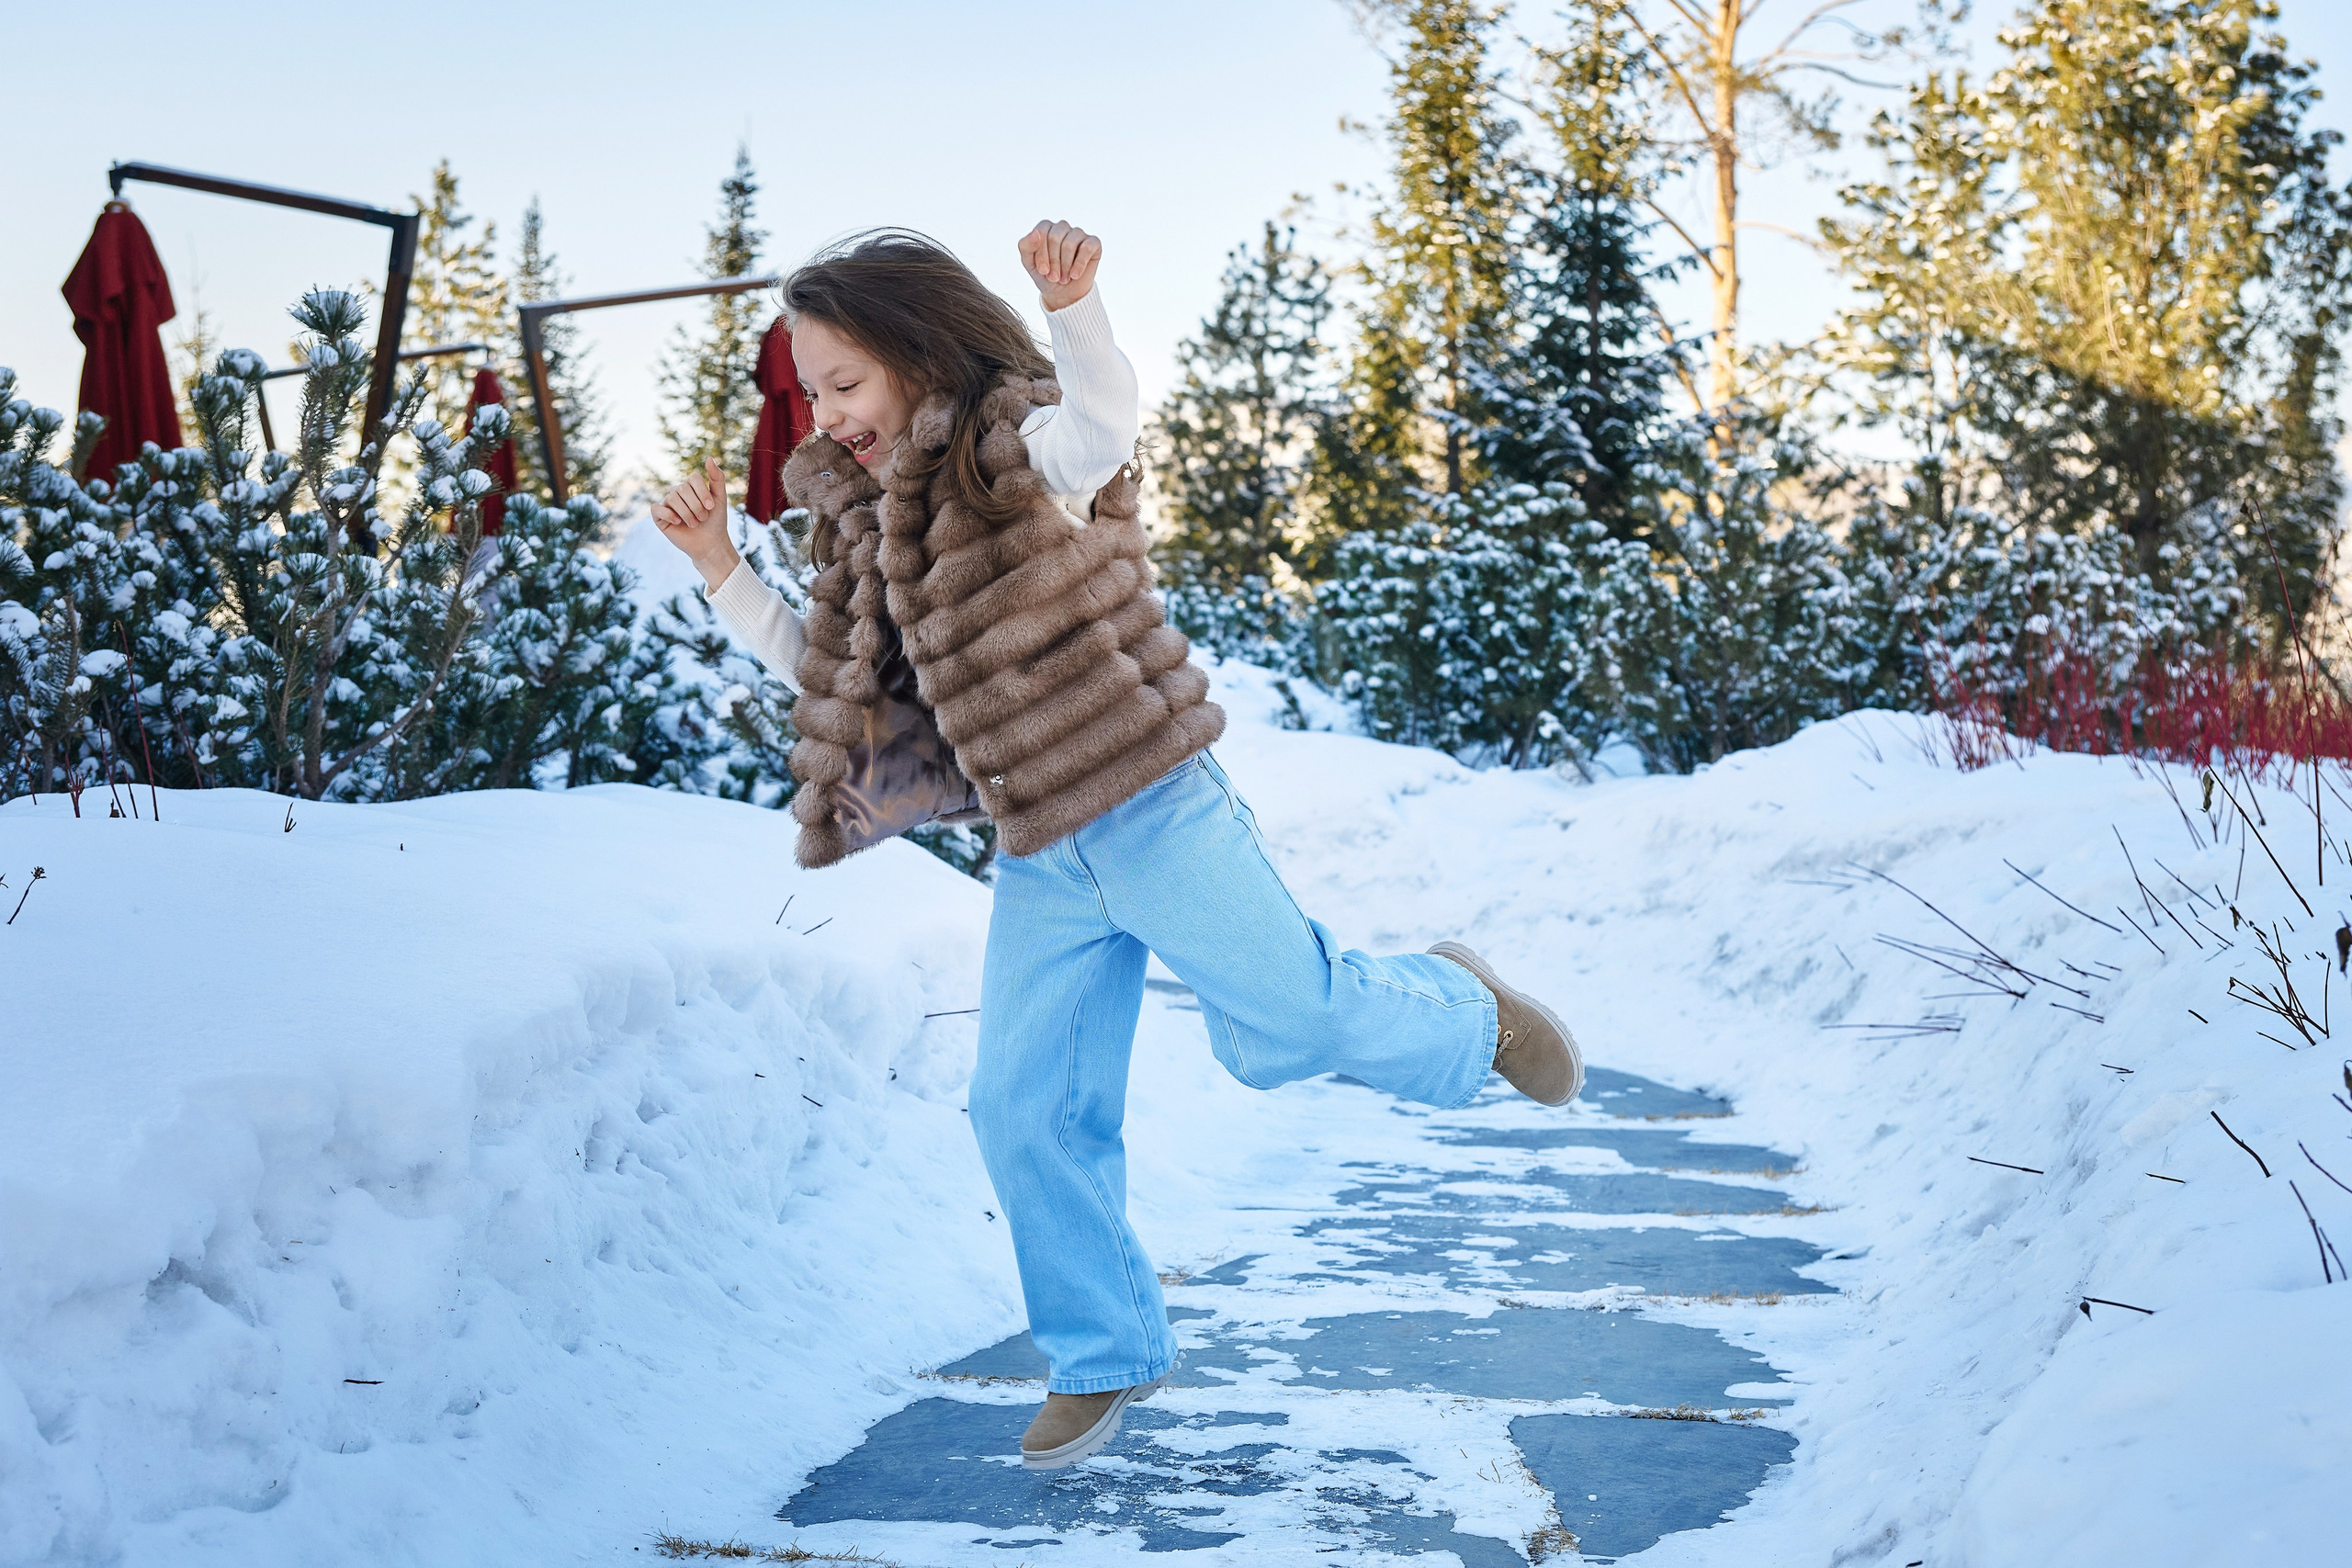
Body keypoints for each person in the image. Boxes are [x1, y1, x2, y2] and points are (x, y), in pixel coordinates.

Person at [651, 221, 1583, 1471]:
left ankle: (1464, 1009)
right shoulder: (871, 530)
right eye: (810, 389)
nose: (826, 412)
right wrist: (719, 566)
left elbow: (1103, 424)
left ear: (920, 356)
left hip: (1153, 803)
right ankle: (1103, 1353)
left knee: (1287, 1032)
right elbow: (832, 677)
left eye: (846, 384)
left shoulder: (1012, 452)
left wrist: (1073, 313)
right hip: (1042, 852)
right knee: (1023, 1105)